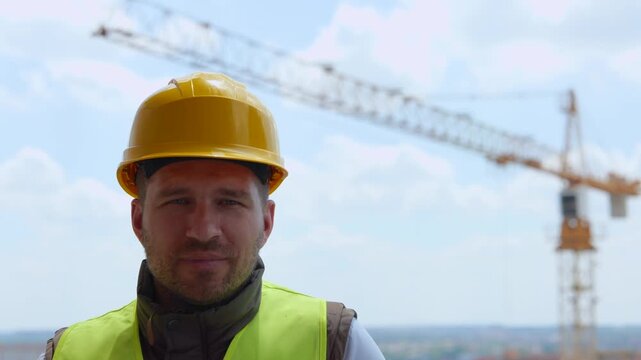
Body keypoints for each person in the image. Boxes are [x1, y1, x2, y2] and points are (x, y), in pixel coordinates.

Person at [40, 72, 385, 359]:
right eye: (178, 201)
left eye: (229, 202)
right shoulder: (70, 354)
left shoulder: (336, 347)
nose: (203, 230)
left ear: (266, 221)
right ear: (138, 219)